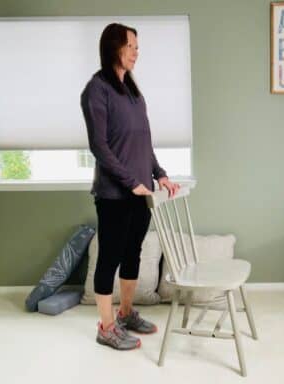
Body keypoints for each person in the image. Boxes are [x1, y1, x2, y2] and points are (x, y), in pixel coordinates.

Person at [80, 23, 180, 351]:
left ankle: (125, 314)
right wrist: (130, 182)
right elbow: (99, 146)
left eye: (138, 47)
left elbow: (143, 144)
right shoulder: (97, 90)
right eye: (132, 46)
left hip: (142, 192)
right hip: (114, 194)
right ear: (114, 47)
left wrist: (160, 174)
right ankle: (106, 327)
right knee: (109, 257)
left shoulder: (134, 93)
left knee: (133, 252)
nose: (137, 52)